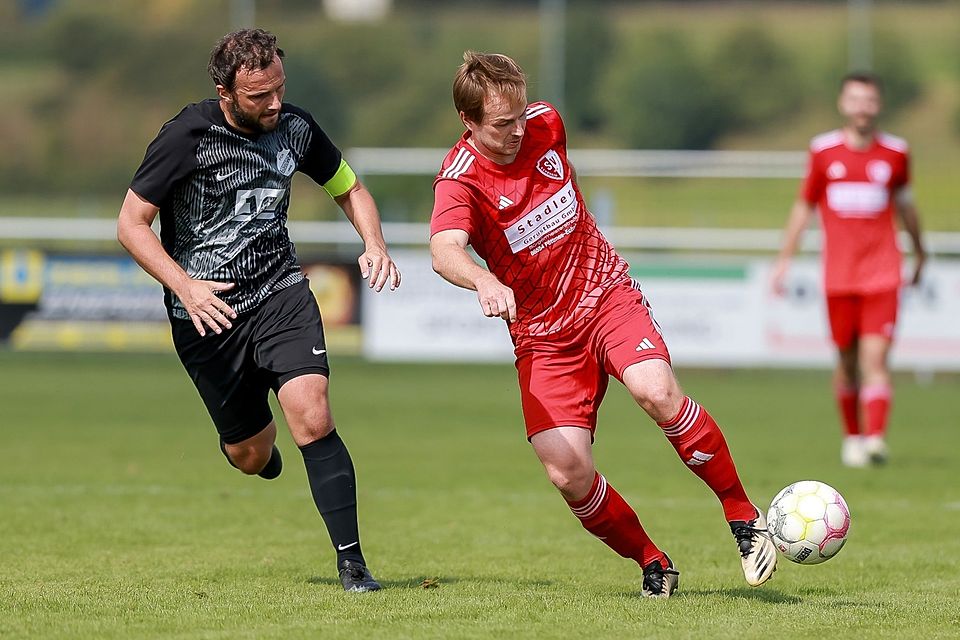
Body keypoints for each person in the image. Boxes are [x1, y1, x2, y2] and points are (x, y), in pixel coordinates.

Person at [429, 51, 776, 598]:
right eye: (502, 124)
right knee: (567, 473)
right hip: (543, 337)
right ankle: (652, 560)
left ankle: (742, 515)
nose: (519, 130)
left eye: (521, 115)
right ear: (468, 123)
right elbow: (444, 249)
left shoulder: (547, 124)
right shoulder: (459, 181)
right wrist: (483, 281)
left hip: (605, 293)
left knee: (656, 391)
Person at [117, 29, 400, 592]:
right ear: (225, 92)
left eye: (278, 89)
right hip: (208, 315)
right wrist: (186, 285)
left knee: (313, 414)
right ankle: (255, 452)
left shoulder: (295, 127)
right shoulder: (186, 137)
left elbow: (351, 188)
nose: (273, 104)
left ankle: (353, 565)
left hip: (280, 294)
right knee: (251, 454)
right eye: (258, 96)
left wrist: (375, 244)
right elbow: (131, 224)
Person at [772, 72, 925, 468]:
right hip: (839, 278)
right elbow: (804, 205)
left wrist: (921, 252)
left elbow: (907, 207)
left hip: (882, 275)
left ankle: (875, 439)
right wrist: (784, 259)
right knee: (845, 362)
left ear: (879, 105)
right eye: (855, 99)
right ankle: (852, 438)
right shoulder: (823, 152)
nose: (863, 107)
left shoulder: (895, 153)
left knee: (875, 361)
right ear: (843, 104)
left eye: (870, 100)